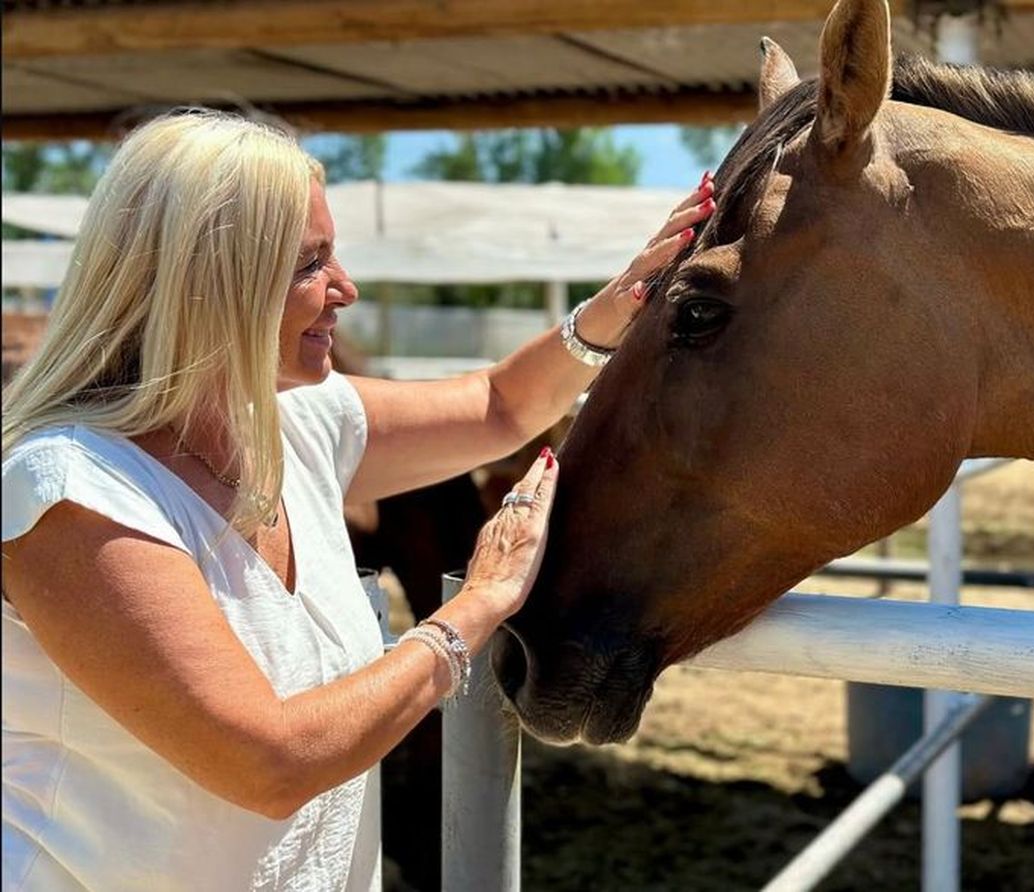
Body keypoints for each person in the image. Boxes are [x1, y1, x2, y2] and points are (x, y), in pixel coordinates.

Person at [0, 109, 716, 891]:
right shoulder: (73, 491)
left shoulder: (286, 424)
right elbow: (268, 763)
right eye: (312, 263)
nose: (347, 288)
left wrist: (621, 303)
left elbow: (499, 406)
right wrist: (475, 609)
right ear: (211, 281)